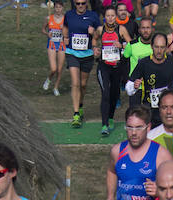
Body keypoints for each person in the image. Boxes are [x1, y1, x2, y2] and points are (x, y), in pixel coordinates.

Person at [126, 32, 173, 128]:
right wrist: (134, 87)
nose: (159, 51)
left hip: (168, 110)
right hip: (150, 111)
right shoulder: (144, 63)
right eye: (156, 47)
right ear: (151, 46)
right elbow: (129, 87)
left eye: (162, 47)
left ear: (166, 47)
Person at [63, 0, 102, 127]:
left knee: (83, 85)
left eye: (83, 3)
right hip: (72, 53)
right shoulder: (69, 14)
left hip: (87, 54)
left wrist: (93, 33)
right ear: (74, 4)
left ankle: (80, 105)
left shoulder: (93, 16)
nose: (80, 5)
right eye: (78, 3)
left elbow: (99, 34)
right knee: (75, 83)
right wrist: (65, 37)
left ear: (87, 3)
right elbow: (65, 26)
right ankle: (75, 114)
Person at [96, 6, 132, 136]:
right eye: (108, 16)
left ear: (115, 16)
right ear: (104, 17)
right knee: (105, 93)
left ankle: (110, 117)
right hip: (103, 66)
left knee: (114, 94)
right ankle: (104, 125)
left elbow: (131, 45)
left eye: (112, 15)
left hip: (117, 67)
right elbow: (94, 40)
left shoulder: (121, 29)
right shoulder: (100, 30)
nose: (110, 18)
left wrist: (122, 45)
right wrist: (96, 49)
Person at [122, 16, 154, 104]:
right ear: (139, 30)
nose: (145, 30)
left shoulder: (157, 45)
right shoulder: (131, 45)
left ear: (152, 29)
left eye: (148, 28)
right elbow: (124, 62)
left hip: (153, 86)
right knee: (134, 114)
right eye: (143, 28)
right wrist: (127, 79)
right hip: (135, 86)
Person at [42, 0, 67, 96]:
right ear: (54, 8)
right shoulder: (49, 18)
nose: (58, 10)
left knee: (60, 69)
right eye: (56, 7)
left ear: (62, 8)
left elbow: (69, 33)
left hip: (61, 45)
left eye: (60, 8)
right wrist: (47, 33)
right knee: (53, 68)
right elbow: (43, 29)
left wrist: (64, 30)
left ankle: (56, 87)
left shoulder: (65, 20)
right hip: (52, 44)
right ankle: (48, 80)